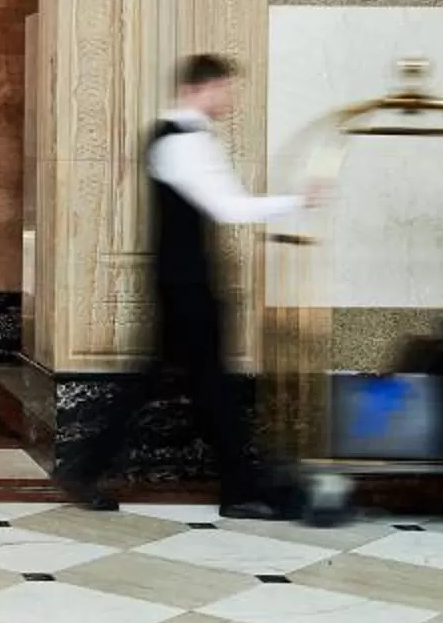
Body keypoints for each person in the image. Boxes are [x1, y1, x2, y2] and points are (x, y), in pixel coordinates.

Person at [59, 52, 318, 516]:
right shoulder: (184, 142)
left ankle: (90, 470)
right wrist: (298, 200)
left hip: (182, 282)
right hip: (187, 287)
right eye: (225, 89)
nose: (230, 99)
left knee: (185, 383)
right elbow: (229, 208)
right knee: (197, 384)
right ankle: (235, 490)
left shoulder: (175, 137)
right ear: (202, 88)